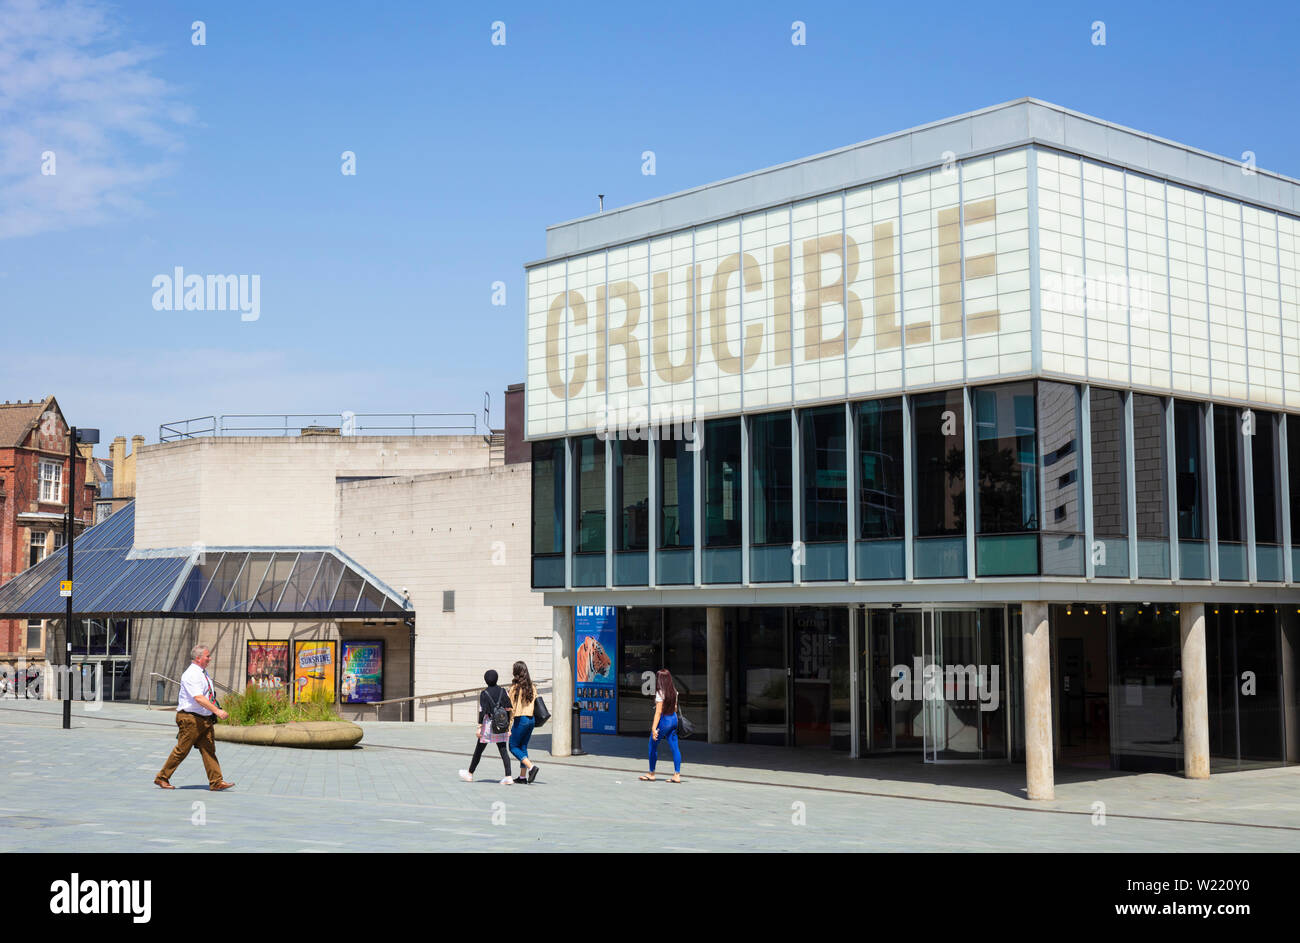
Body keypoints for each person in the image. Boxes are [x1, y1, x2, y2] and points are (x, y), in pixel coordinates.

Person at [154, 645, 235, 791]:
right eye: (207, 656)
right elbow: (198, 698)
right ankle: (162, 778)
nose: (210, 659)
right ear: (198, 658)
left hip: (204, 719)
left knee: (209, 750)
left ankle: (216, 781)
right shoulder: (191, 674)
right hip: (190, 719)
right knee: (182, 750)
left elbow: (208, 694)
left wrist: (211, 713)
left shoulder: (203, 673)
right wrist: (217, 711)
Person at [458, 669, 513, 784]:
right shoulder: (503, 691)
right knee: (503, 750)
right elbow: (508, 709)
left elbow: (482, 712)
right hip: (500, 725)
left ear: (485, 680)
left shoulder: (484, 693)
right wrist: (508, 727)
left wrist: (479, 727)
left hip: (488, 726)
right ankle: (508, 776)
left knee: (479, 750)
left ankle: (469, 774)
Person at [640, 668, 682, 783]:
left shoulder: (660, 693)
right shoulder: (674, 691)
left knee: (652, 745)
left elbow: (658, 712)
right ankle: (677, 775)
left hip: (664, 720)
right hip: (673, 719)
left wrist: (654, 728)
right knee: (675, 747)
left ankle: (651, 773)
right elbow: (675, 708)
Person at [507, 660, 540, 784]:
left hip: (520, 719)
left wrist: (509, 727)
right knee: (523, 747)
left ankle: (531, 767)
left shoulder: (515, 688)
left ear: (516, 672)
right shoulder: (532, 687)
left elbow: (512, 709)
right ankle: (522, 777)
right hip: (531, 719)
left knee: (513, 746)